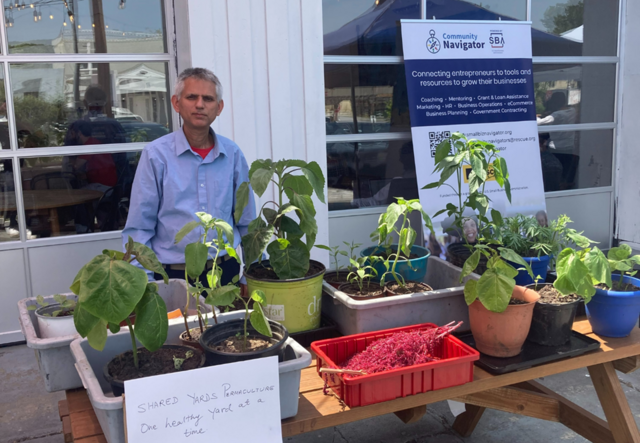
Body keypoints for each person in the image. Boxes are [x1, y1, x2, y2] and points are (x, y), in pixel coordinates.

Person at [122, 68, 256, 294]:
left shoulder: (232, 154)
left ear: (219, 107)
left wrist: (253, 272)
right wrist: (142, 282)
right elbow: (139, 227)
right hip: (172, 277)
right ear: (176, 103)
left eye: (208, 99)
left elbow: (247, 220)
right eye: (192, 97)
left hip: (225, 273)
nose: (200, 105)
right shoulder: (156, 156)